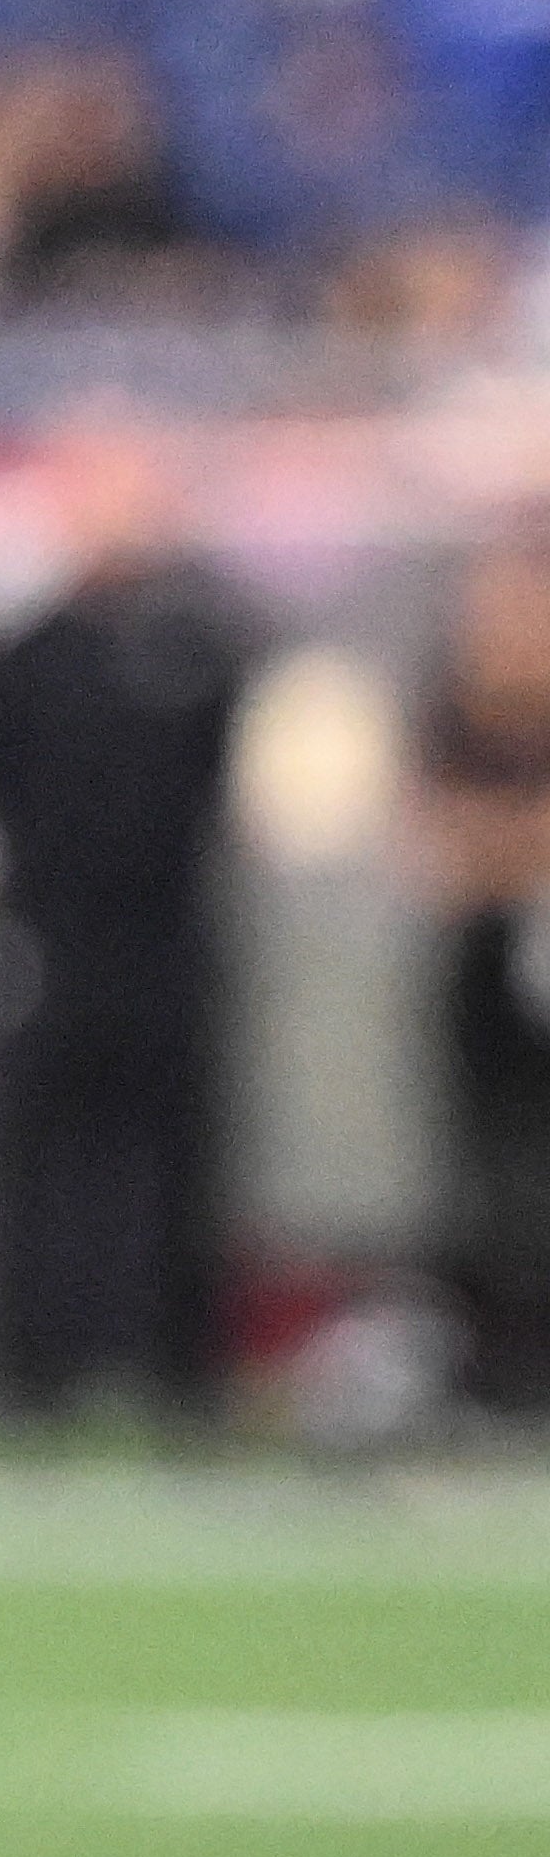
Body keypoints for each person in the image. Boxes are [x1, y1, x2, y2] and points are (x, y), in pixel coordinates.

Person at [0, 415, 255, 1431]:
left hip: (167, 940)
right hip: (50, 939)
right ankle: (34, 1384)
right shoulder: (26, 652)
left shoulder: (202, 643)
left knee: (178, 1173)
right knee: (41, 1173)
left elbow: (227, 781)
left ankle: (181, 1382)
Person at [410, 533, 550, 1417]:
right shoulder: (450, 711)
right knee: (483, 1169)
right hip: (483, 967)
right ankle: (494, 1362)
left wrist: (497, 844)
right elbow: (431, 841)